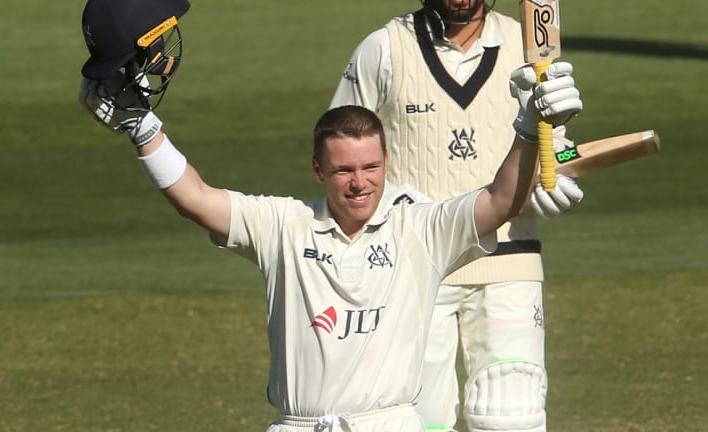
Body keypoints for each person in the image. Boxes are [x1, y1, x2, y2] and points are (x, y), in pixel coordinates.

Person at [78, 0, 581, 430]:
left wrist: (538, 138)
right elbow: (199, 199)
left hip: (446, 309)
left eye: (370, 168)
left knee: (508, 406)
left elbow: (500, 197)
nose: (359, 182)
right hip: (318, 401)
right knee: (432, 409)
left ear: (386, 165)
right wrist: (144, 131)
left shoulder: (420, 227)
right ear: (317, 170)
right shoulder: (286, 226)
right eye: (343, 170)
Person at [329, 1, 584, 431]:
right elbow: (337, 149)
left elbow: (555, 143)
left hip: (509, 257)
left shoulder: (529, 45)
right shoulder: (384, 49)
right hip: (414, 266)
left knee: (511, 412)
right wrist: (382, 205)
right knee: (414, 417)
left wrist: (558, 176)